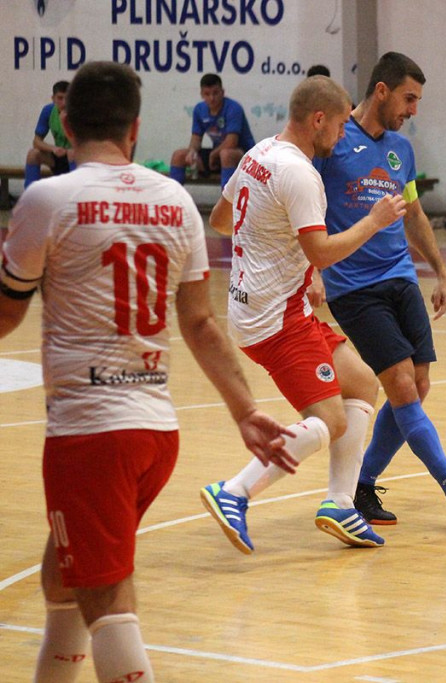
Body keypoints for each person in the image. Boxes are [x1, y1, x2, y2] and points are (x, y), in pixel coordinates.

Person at [0, 61, 296, 683]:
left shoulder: (47, 200)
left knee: (103, 595)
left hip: (90, 433)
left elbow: (6, 313)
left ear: (66, 124)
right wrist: (245, 410)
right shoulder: (176, 200)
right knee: (63, 574)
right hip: (156, 433)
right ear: (134, 129)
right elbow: (201, 324)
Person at [199, 75, 407, 554]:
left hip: (259, 303)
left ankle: (340, 504)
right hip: (275, 319)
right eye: (339, 125)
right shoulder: (300, 173)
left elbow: (222, 220)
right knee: (329, 420)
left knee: (362, 384)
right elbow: (323, 251)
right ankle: (234, 491)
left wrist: (282, 255)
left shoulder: (259, 153)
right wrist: (373, 222)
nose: (342, 134)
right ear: (318, 120)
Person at [315, 52, 446, 526]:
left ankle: (363, 483)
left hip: (401, 277)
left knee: (419, 384)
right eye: (409, 99)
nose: (413, 110)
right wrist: (311, 269)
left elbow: (415, 213)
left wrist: (442, 272)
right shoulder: (332, 142)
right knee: (402, 383)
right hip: (353, 287)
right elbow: (303, 208)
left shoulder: (400, 150)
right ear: (382, 90)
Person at [169, 73, 256, 188]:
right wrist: (192, 152)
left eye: (215, 93)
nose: (212, 98)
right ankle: (173, 196)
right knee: (178, 155)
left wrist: (213, 154)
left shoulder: (234, 108)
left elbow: (231, 142)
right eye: (207, 94)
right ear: (201, 94)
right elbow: (196, 138)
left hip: (243, 156)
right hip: (217, 155)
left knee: (226, 154)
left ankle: (227, 199)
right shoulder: (199, 110)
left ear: (222, 92)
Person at [24, 80, 74, 189]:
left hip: (77, 158)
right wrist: (53, 149)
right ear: (53, 98)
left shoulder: (78, 112)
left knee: (72, 153)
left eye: (67, 98)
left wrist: (65, 123)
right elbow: (36, 142)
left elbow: (83, 144)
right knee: (33, 154)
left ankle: (74, 191)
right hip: (59, 155)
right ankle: (31, 193)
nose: (64, 103)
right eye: (60, 98)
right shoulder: (48, 111)